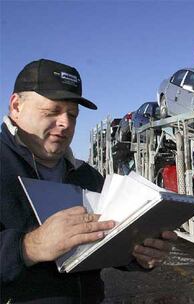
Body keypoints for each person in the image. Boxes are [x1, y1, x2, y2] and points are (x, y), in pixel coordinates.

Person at [0, 59, 177, 303]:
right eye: (52, 111)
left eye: (72, 115)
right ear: (16, 106)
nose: (65, 123)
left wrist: (140, 255)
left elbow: (106, 244)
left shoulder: (87, 176)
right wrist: (29, 247)